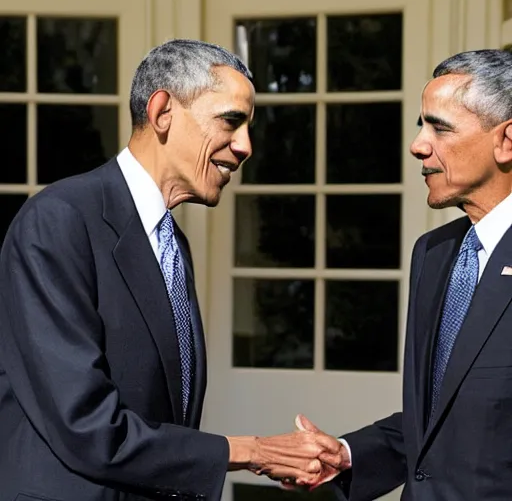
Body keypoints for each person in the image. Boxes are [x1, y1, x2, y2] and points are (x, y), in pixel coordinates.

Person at [0, 39, 343, 501]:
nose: (245, 146)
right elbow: (86, 425)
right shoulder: (59, 220)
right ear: (162, 111)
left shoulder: (168, 239)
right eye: (231, 121)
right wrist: (250, 451)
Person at [300, 48, 512, 500]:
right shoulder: (434, 254)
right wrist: (348, 453)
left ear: (506, 141)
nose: (418, 143)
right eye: (421, 125)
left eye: (439, 126)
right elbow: (440, 422)